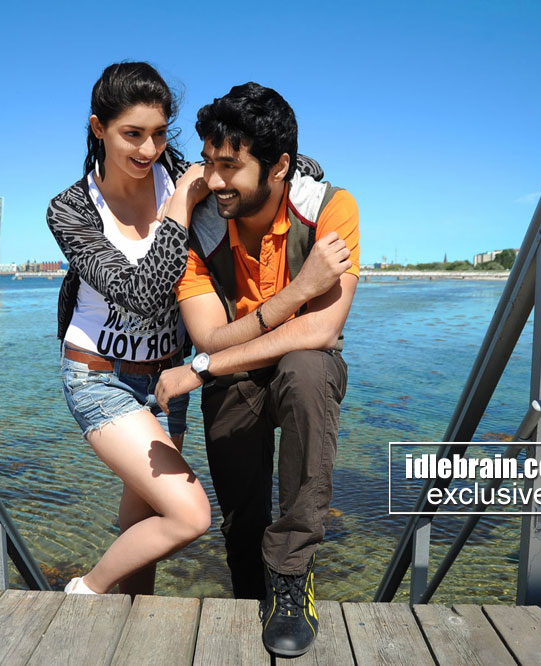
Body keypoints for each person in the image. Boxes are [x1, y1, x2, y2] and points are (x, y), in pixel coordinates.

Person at [155, 82, 359, 657]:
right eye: (209, 163)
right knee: (241, 523)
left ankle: (292, 576)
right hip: (232, 377)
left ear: (279, 167)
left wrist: (202, 367)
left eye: (231, 166)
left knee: (308, 368)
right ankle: (250, 587)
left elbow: (320, 332)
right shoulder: (202, 227)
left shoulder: (329, 208)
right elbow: (207, 337)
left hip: (293, 369)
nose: (215, 180)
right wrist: (299, 290)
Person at [46, 62, 211, 597]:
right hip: (99, 377)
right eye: (132, 134)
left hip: (167, 379)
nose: (149, 149)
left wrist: (288, 161)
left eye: (159, 134)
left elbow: (253, 163)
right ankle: (86, 592)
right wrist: (180, 206)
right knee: (189, 514)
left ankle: (133, 618)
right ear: (99, 128)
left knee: (149, 520)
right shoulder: (71, 209)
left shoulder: (177, 169)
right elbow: (141, 294)